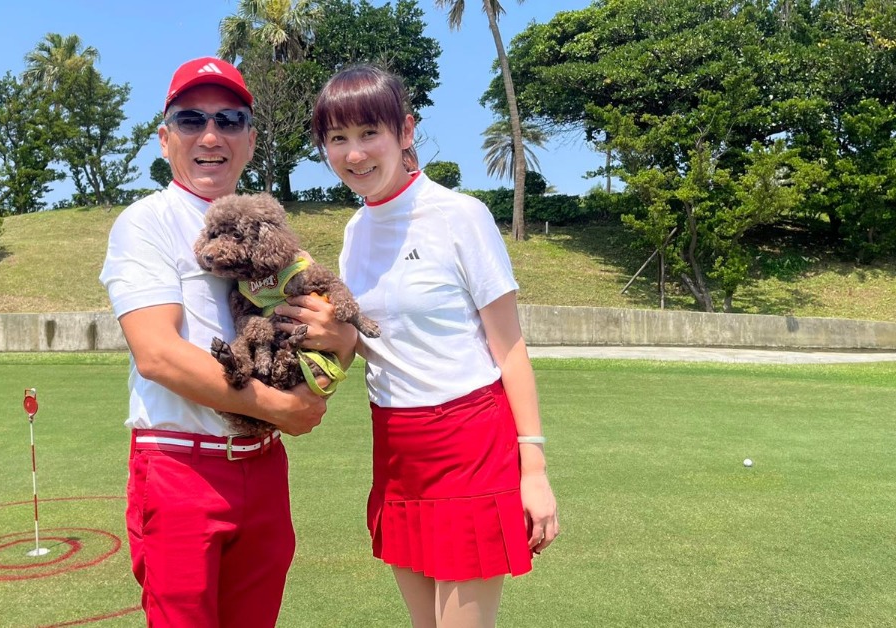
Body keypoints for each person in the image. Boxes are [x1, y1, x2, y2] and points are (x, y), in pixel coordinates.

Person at [282, 64, 561, 627]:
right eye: (337, 138)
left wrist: (533, 469)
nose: (354, 153)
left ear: (406, 131)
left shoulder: (460, 216)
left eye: (369, 133)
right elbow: (375, 341)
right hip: (396, 445)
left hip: (469, 439)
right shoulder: (355, 231)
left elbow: (510, 347)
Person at [97, 56, 345, 628]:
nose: (211, 135)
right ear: (165, 139)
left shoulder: (269, 229)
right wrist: (279, 407)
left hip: (263, 466)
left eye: (229, 120)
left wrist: (343, 339)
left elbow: (321, 326)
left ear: (251, 140)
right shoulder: (147, 222)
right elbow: (158, 355)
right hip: (180, 467)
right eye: (191, 119)